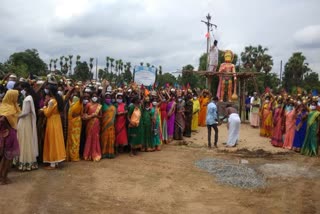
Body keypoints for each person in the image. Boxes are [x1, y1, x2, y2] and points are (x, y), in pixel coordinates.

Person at [41, 84, 66, 169]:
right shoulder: (58, 99)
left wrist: (44, 106)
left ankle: (52, 163)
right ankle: (56, 161)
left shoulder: (51, 101)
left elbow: (47, 113)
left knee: (52, 141)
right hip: (57, 121)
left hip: (52, 121)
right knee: (57, 140)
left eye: (47, 90)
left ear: (50, 91)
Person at [0, 90, 20, 184]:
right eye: (16, 96)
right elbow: (4, 120)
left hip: (3, 134)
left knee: (4, 157)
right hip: (9, 135)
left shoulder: (3, 106)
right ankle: (3, 178)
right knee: (7, 158)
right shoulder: (10, 109)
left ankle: (2, 177)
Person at [17, 84, 38, 171]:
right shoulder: (28, 97)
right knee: (23, 139)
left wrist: (18, 116)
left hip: (25, 120)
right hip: (24, 120)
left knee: (26, 140)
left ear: (25, 89)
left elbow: (27, 111)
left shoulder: (28, 98)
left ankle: (26, 161)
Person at [83, 92, 102, 161]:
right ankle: (87, 154)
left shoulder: (99, 106)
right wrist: (90, 116)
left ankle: (95, 154)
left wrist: (96, 116)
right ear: (91, 97)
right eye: (93, 96)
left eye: (96, 96)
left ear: (97, 98)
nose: (94, 97)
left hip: (96, 123)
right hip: (89, 123)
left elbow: (101, 116)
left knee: (95, 137)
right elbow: (84, 114)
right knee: (89, 137)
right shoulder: (88, 105)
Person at [66, 89, 83, 161]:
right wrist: (72, 90)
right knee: (70, 139)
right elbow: (68, 95)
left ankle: (74, 156)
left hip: (76, 124)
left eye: (76, 95)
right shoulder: (71, 103)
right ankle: (69, 155)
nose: (74, 95)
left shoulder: (79, 102)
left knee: (75, 140)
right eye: (74, 94)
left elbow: (82, 97)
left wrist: (81, 90)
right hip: (70, 123)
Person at [100, 92, 116, 158]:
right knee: (104, 138)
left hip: (111, 126)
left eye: (109, 97)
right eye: (107, 97)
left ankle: (110, 153)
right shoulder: (102, 105)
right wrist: (104, 87)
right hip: (104, 125)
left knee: (111, 139)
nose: (108, 99)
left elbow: (114, 117)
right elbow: (102, 96)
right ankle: (104, 153)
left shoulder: (113, 107)